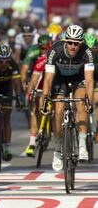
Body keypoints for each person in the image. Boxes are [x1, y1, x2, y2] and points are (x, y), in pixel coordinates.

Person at [40, 25, 94, 171]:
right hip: (59, 79)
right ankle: (58, 150)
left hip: (79, 79)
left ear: (81, 43)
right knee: (58, 109)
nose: (73, 46)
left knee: (81, 104)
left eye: (76, 43)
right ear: (65, 41)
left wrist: (89, 99)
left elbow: (89, 79)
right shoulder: (55, 51)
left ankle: (82, 145)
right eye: (70, 42)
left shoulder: (87, 53)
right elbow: (48, 79)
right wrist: (45, 98)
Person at [0, 44, 23, 161]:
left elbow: (16, 82)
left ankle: (7, 147)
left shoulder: (13, 65)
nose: (4, 64)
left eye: (6, 61)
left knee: (6, 117)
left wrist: (19, 97)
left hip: (6, 89)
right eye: (0, 61)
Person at [23, 35, 52, 157]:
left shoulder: (56, 55)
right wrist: (29, 93)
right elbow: (34, 78)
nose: (43, 51)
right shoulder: (39, 57)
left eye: (46, 48)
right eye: (42, 48)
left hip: (55, 84)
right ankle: (32, 142)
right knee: (36, 107)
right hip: (42, 83)